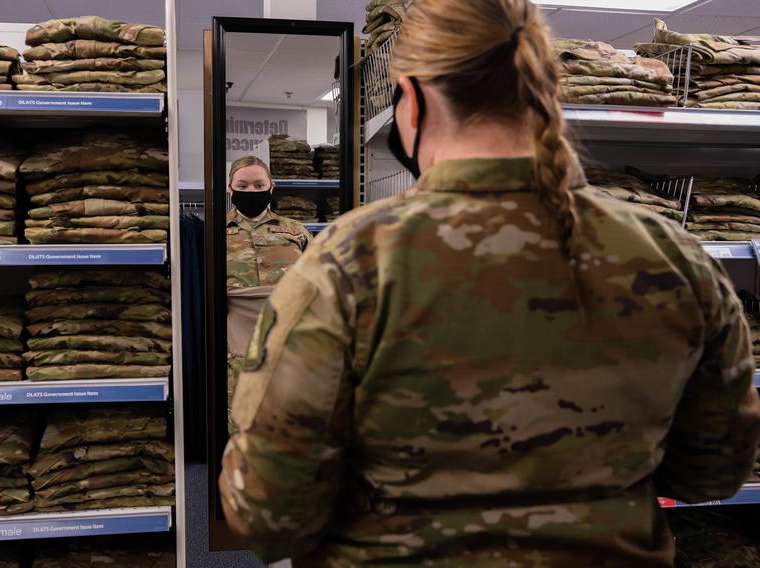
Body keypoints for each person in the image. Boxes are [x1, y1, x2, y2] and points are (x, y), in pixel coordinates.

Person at [219, 0, 760, 566]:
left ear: (415, 100)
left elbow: (268, 514)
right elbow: (714, 471)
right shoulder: (674, 257)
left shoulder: (348, 263)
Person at [225, 156, 312, 432]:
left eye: (259, 184)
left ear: (271, 187)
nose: (251, 191)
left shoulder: (296, 232)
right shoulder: (214, 232)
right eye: (243, 185)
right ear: (230, 188)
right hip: (234, 347)